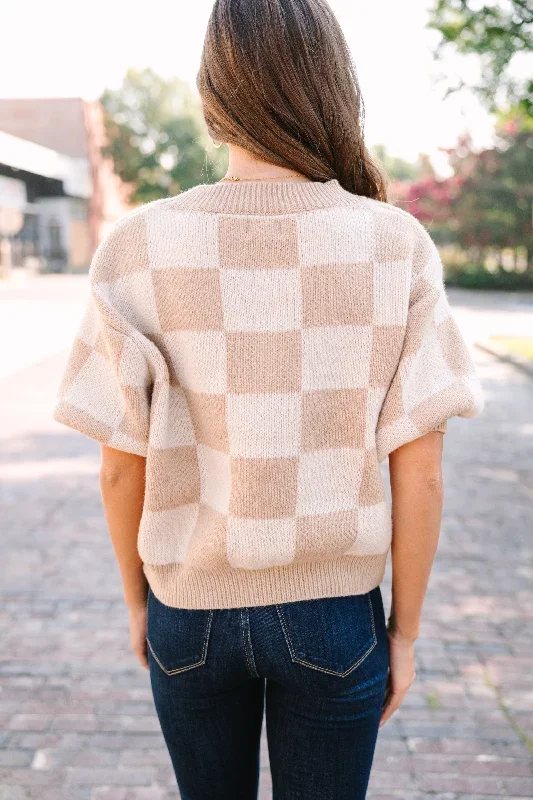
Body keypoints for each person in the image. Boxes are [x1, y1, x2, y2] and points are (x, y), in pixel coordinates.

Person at [52, 0, 484, 797]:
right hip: (335, 613)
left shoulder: (136, 248)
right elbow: (418, 473)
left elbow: (121, 468)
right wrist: (407, 634)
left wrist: (138, 603)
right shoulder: (394, 244)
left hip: (189, 608)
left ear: (213, 90)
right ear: (330, 85)